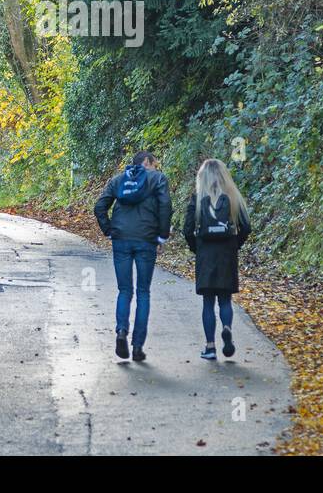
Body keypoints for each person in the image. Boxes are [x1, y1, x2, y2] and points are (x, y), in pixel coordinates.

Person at [94, 150, 172, 362]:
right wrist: (162, 236)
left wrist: (109, 230)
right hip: (147, 239)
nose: (156, 168)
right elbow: (165, 206)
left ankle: (121, 331)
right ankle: (137, 346)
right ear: (147, 162)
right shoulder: (157, 179)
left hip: (121, 239)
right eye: (155, 164)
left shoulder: (118, 180)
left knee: (124, 290)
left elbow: (99, 207)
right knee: (143, 292)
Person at [182, 159, 251, 361]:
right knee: (225, 299)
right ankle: (227, 328)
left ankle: (210, 347)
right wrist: (234, 244)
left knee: (208, 302)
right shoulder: (233, 197)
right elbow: (246, 227)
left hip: (206, 255)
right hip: (227, 255)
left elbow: (187, 230)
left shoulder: (198, 198)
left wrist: (197, 248)